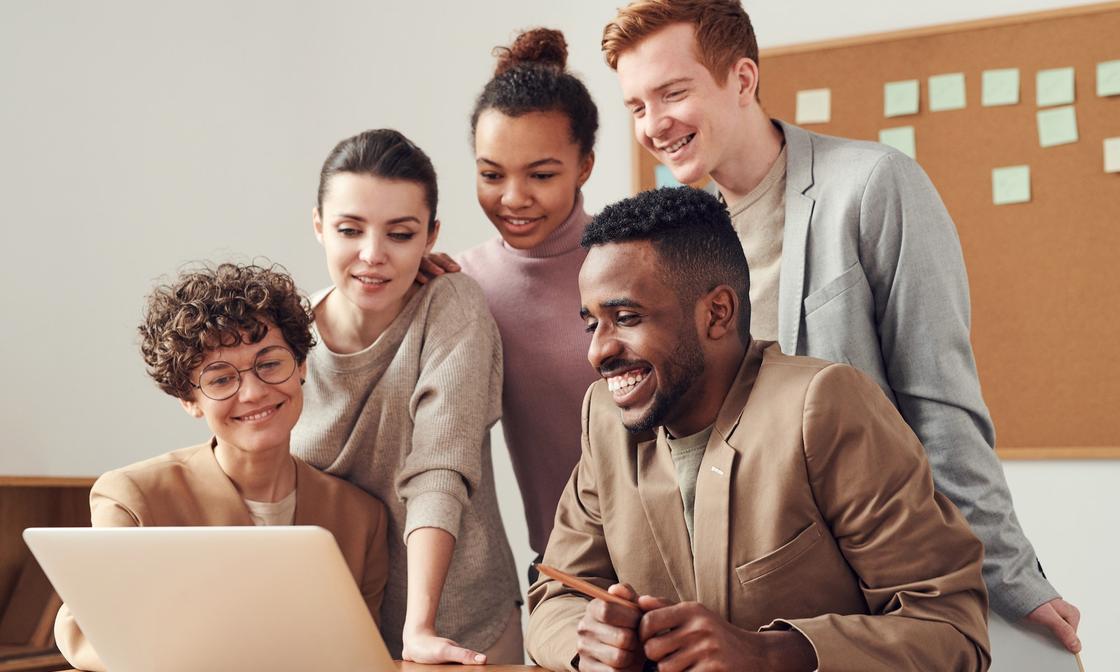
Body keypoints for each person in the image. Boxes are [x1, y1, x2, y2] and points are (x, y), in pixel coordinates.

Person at [601, 0, 1080, 652]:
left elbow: (940, 404)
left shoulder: (872, 186)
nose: (653, 125)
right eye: (635, 106)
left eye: (671, 93)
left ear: (742, 80)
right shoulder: (682, 249)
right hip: (757, 614)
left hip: (882, 594)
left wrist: (1014, 579)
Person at [526, 187, 990, 672]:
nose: (597, 352)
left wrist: (768, 653)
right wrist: (590, 645)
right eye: (591, 325)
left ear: (717, 313)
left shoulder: (823, 406)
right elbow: (554, 594)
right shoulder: (605, 417)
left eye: (625, 318)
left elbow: (951, 630)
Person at [54, 263, 390, 672]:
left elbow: (360, 659)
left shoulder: (360, 518)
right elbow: (85, 633)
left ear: (302, 366)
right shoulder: (133, 498)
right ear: (189, 400)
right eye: (219, 379)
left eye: (270, 363)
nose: (253, 392)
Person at [289, 129, 521, 664]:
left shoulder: (451, 306)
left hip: (457, 626)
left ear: (430, 237)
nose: (373, 256)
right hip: (332, 630)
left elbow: (439, 467)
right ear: (320, 226)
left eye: (399, 234)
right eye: (350, 230)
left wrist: (419, 628)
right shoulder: (287, 334)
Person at [456, 27, 600, 580]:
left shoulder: (633, 261)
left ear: (584, 165)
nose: (513, 198)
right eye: (492, 174)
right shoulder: (464, 283)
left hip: (683, 560)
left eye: (541, 175)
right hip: (565, 571)